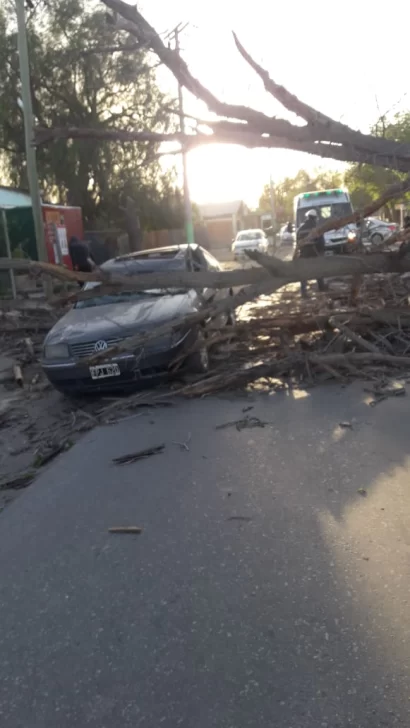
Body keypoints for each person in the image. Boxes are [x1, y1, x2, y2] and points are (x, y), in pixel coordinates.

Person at [296, 209, 326, 298]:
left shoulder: (300, 229)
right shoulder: (316, 228)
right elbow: (321, 242)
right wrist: (321, 252)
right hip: (314, 253)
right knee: (318, 271)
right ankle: (321, 287)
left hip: (304, 254)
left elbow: (298, 243)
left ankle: (303, 292)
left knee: (303, 274)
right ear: (314, 218)